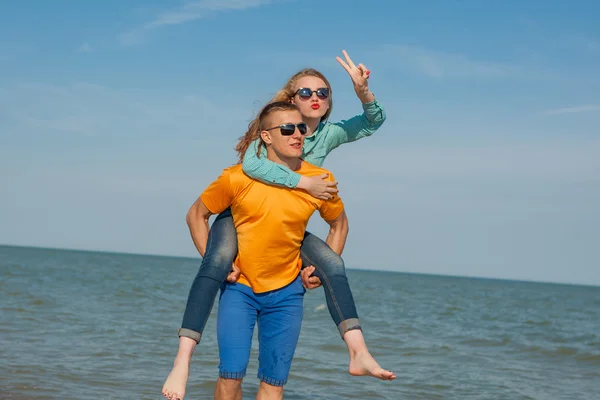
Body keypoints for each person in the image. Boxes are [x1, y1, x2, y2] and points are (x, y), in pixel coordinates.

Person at [163, 50, 395, 400]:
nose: (315, 99)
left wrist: (363, 93)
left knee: (332, 264)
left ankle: (358, 350)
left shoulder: (327, 140)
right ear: (288, 102)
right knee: (217, 259)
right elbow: (248, 174)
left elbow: (371, 124)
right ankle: (183, 360)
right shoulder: (260, 149)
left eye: (323, 93)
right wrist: (303, 182)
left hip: (288, 257)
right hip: (241, 223)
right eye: (306, 93)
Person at [192, 101, 348, 399]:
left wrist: (320, 269)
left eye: (301, 128)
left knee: (273, 386)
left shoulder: (319, 181)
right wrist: (214, 262)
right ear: (266, 136)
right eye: (287, 129)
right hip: (241, 289)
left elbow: (339, 224)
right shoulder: (237, 177)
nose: (297, 135)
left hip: (288, 294)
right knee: (230, 378)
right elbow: (196, 215)